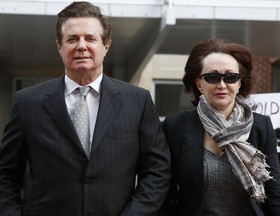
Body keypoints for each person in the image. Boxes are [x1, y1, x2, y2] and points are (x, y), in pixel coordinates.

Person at [0, 1, 170, 216]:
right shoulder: (27, 103)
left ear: (106, 46)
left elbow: (157, 171)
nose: (81, 46)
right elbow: (5, 174)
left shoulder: (137, 101)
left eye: (90, 38)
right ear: (59, 46)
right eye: (72, 39)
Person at [159, 38, 280, 215]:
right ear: (199, 84)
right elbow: (164, 191)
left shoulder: (261, 126)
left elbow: (276, 193)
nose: (222, 85)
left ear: (239, 82)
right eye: (212, 77)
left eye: (230, 77)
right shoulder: (176, 127)